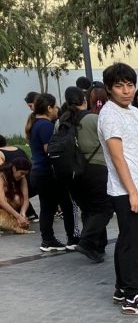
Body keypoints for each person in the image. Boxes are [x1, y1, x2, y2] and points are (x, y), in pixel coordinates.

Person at [98, 62, 138, 315]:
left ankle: (121, 288)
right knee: (132, 243)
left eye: (130, 85)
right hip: (124, 190)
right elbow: (118, 158)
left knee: (128, 239)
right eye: (119, 85)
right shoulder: (109, 114)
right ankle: (132, 297)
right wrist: (134, 192)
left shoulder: (134, 112)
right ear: (109, 88)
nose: (126, 90)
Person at [26, 93, 77, 253]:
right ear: (49, 108)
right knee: (66, 205)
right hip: (49, 173)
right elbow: (50, 149)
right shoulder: (46, 126)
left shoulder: (35, 124)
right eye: (55, 107)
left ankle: (48, 239)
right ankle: (71, 238)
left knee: (47, 207)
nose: (57, 110)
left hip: (39, 172)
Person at [70, 84, 113, 263]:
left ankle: (98, 246)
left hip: (74, 172)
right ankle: (87, 242)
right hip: (97, 168)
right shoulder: (95, 120)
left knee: (89, 209)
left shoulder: (63, 120)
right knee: (104, 209)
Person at [0, 158, 32, 234]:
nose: (23, 176)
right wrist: (18, 216)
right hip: (2, 202)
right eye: (21, 173)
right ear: (14, 169)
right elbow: (2, 201)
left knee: (18, 199)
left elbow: (26, 199)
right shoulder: (1, 176)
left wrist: (22, 213)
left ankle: (11, 219)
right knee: (5, 198)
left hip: (8, 203)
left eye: (25, 174)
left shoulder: (22, 178)